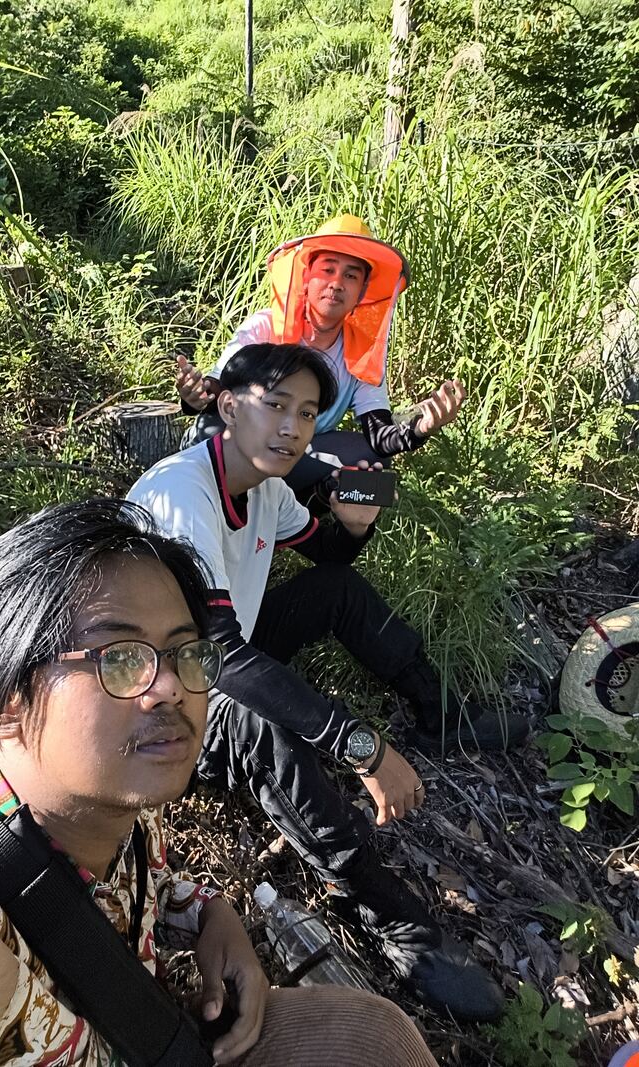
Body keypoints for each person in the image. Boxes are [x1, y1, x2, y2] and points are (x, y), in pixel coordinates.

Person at [0, 499, 439, 1067]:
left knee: (374, 1036)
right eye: (122, 657)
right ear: (6, 704)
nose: (172, 687)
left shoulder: (115, 813)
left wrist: (210, 915)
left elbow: (148, 888)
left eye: (186, 654)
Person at [129, 343, 530, 1021]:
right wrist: (361, 744)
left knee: (335, 590)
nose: (292, 426)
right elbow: (220, 656)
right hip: (148, 699)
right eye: (276, 405)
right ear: (227, 406)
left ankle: (442, 713)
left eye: (308, 412)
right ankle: (395, 919)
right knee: (258, 724)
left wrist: (354, 526)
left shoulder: (263, 487)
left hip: (209, 652)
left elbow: (329, 554)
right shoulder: (181, 493)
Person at [175, 213, 466, 503]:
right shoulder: (265, 326)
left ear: (362, 291)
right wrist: (195, 395)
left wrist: (421, 427)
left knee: (372, 465)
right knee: (214, 432)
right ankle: (226, 508)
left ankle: (306, 518)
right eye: (328, 270)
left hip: (297, 451)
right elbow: (218, 393)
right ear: (306, 277)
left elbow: (379, 436)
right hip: (244, 447)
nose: (337, 283)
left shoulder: (361, 350)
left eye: (351, 276)